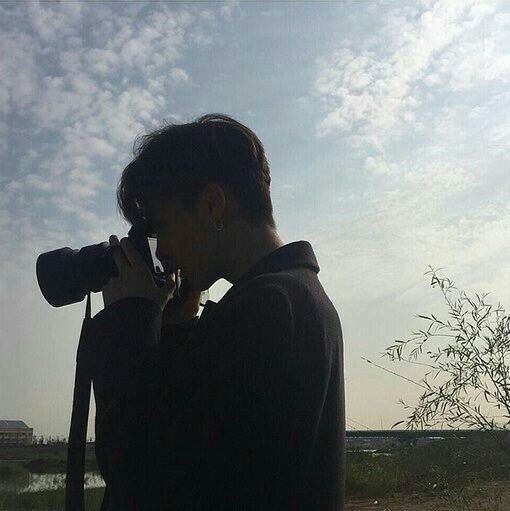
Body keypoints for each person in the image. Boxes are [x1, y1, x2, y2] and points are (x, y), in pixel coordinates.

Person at [89, 113, 345, 510]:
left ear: (212, 206)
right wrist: (173, 327)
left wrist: (130, 320)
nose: (165, 252)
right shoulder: (297, 294)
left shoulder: (265, 308)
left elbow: (140, 472)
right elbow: (215, 464)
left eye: (163, 227)